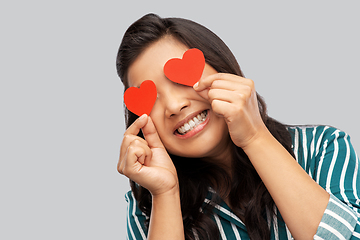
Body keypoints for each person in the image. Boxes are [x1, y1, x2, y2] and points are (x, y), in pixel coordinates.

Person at [116, 13, 360, 240]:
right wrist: (165, 194)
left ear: (222, 69)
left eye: (181, 79)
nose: (174, 106)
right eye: (151, 98)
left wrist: (254, 137)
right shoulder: (147, 205)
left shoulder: (322, 147)